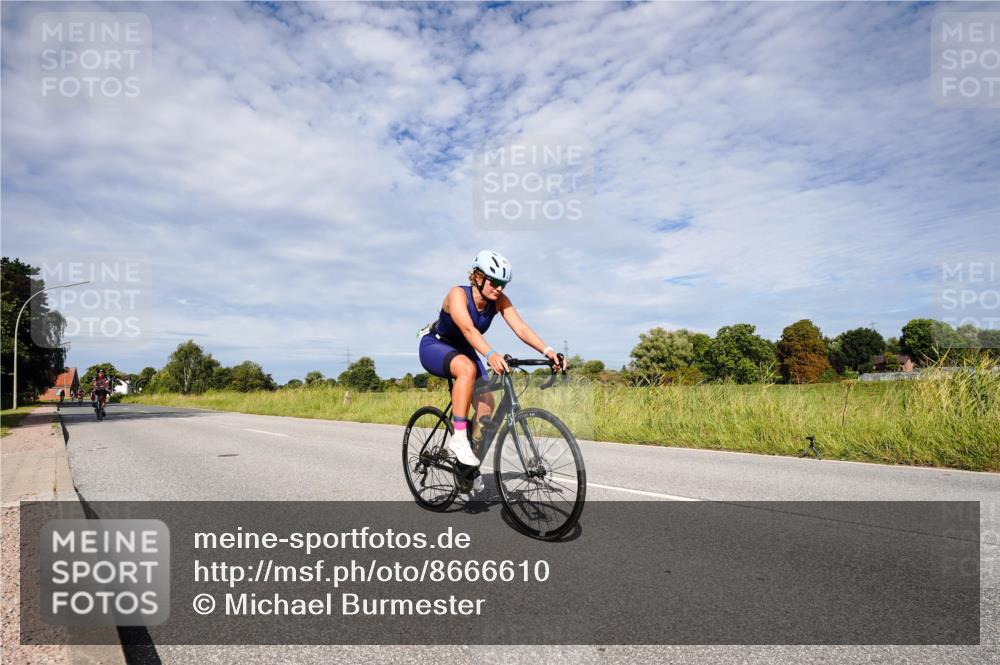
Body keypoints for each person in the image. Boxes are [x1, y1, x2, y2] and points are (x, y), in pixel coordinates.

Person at [418, 250, 565, 492]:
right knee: (466, 368)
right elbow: (467, 330)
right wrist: (490, 354)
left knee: (487, 403)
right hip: (437, 345)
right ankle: (458, 438)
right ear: (477, 276)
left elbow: (521, 328)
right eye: (494, 282)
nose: (499, 288)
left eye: (503, 284)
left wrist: (548, 351)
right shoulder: (457, 295)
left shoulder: (499, 301)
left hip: (465, 349)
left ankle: (467, 468)